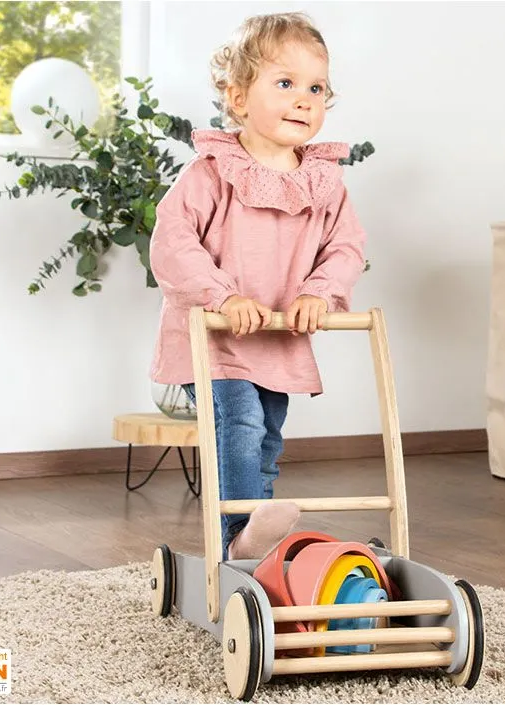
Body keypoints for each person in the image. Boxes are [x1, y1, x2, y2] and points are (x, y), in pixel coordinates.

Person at [148, 11, 367, 561]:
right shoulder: (211, 172)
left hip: (276, 337)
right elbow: (173, 244)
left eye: (315, 87)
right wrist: (223, 296)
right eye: (286, 83)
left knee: (268, 437)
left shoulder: (324, 183)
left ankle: (251, 547)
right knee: (240, 423)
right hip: (217, 338)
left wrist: (320, 292)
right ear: (239, 98)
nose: (304, 99)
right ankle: (234, 541)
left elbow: (345, 247)